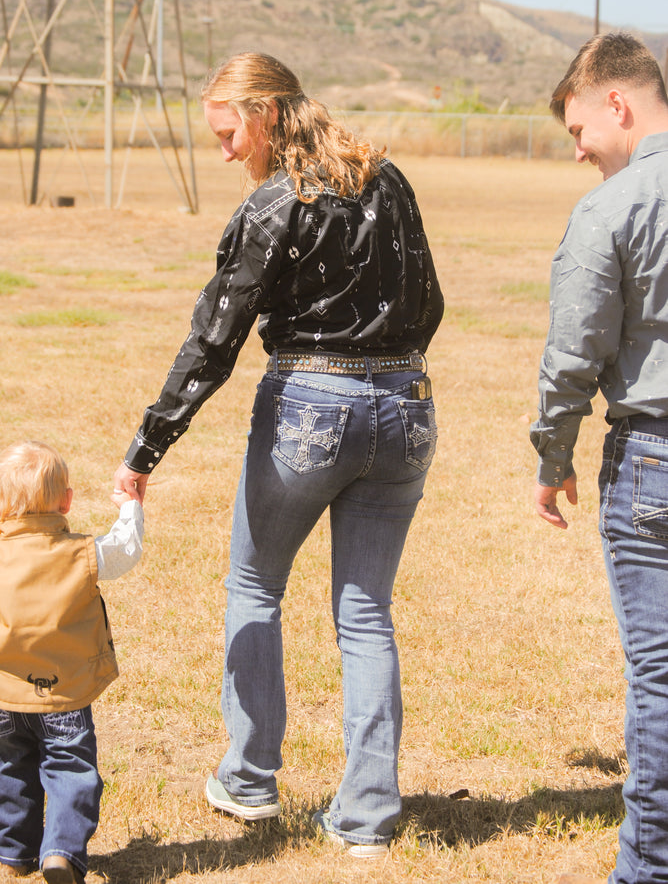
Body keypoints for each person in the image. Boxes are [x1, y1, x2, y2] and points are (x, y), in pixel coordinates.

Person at [114, 52, 444, 858]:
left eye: (227, 133)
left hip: (309, 409)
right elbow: (430, 300)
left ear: (262, 113)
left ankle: (250, 777)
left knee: (255, 586)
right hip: (408, 409)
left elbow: (212, 343)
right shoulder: (386, 181)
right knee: (366, 615)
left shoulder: (272, 207)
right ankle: (367, 820)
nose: (225, 151)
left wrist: (145, 449)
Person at [530, 32, 668, 884]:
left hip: (653, 458)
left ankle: (648, 867)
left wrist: (552, 456)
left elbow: (573, 355)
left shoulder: (613, 208)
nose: (578, 150)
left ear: (618, 103)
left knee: (659, 674)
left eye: (581, 130)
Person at [0, 441, 144, 883]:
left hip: (7, 696)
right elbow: (126, 551)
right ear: (66, 501)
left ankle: (14, 852)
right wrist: (130, 508)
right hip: (65, 694)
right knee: (70, 769)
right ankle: (61, 851)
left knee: (12, 765)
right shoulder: (83, 555)